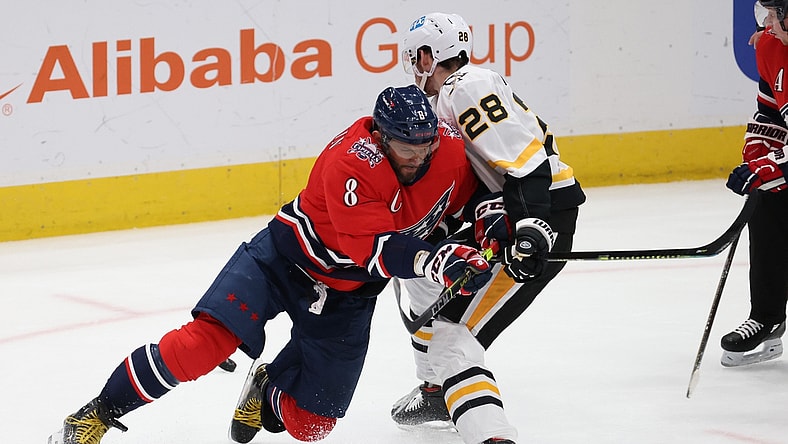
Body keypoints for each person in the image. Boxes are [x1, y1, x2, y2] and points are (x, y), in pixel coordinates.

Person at [47, 85, 495, 444]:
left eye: (427, 144)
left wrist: (488, 227)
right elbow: (379, 250)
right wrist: (439, 261)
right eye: (406, 148)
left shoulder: (448, 152)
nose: (419, 158)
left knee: (311, 426)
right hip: (281, 263)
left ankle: (266, 387)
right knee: (205, 345)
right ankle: (95, 416)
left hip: (349, 295)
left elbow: (474, 199)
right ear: (380, 137)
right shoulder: (351, 164)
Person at [390, 12, 586, 444]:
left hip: (542, 215)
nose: (414, 67)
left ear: (427, 55)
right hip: (513, 214)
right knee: (427, 286)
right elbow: (487, 176)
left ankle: (491, 434)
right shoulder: (448, 98)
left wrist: (532, 228)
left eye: (415, 57)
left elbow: (524, 159)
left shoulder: (467, 87)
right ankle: (436, 390)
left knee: (452, 338)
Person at [721, 0, 788, 368]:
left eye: (776, 14)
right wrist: (758, 154)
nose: (767, 23)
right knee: (768, 202)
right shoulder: (770, 45)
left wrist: (773, 167)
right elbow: (769, 114)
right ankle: (767, 315)